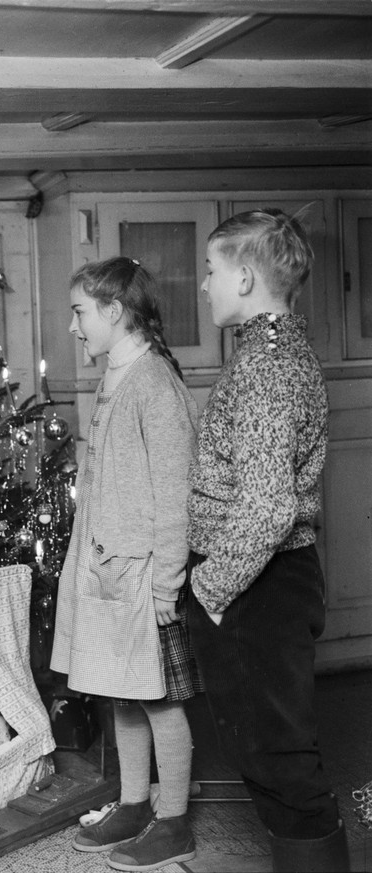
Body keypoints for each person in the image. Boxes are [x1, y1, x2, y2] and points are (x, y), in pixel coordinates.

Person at [188, 209, 349, 873]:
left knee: (280, 764)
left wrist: (207, 585)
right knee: (270, 756)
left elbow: (266, 507)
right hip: (268, 580)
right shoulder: (272, 353)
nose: (202, 285)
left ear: (246, 277)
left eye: (210, 270)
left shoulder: (262, 366)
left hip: (258, 585)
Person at [51, 257, 201, 872]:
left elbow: (176, 497)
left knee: (160, 698)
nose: (74, 327)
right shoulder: (117, 375)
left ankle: (174, 822)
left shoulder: (154, 383)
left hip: (142, 576)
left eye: (81, 313)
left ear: (115, 312)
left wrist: (167, 584)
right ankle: (136, 803)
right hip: (108, 568)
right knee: (122, 692)